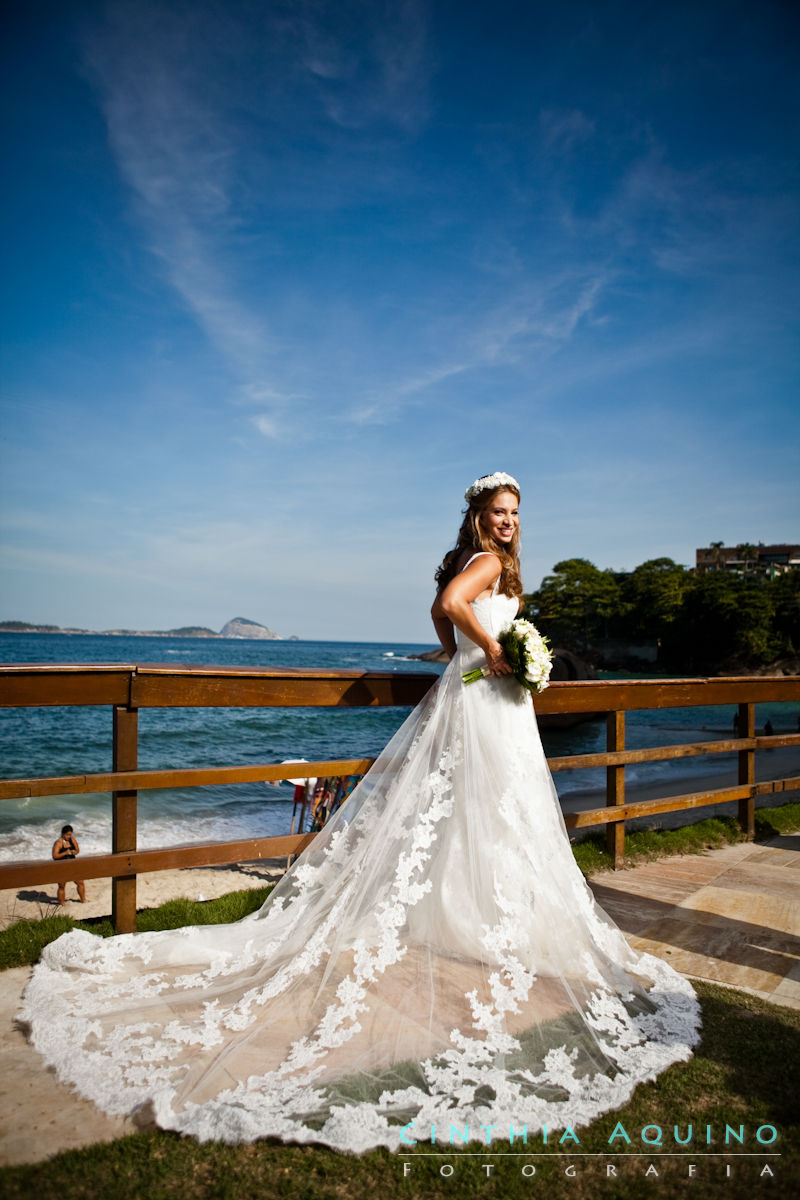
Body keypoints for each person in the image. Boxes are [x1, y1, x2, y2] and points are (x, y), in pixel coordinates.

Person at [20, 473, 701, 1153]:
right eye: (498, 512)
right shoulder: (485, 565)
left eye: (515, 513)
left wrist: (466, 654)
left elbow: (443, 617)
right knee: (495, 811)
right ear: (479, 516)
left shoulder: (478, 561)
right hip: (485, 699)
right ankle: (491, 922)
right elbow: (452, 604)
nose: (508, 522)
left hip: (472, 695)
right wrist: (494, 650)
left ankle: (478, 920)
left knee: (472, 811)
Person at [51, 824, 86, 905]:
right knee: (62, 886)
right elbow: (55, 856)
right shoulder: (58, 843)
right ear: (63, 834)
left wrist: (75, 852)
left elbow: (77, 850)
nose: (69, 836)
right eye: (67, 835)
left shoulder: (72, 840)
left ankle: (83, 900)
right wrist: (65, 853)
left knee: (80, 882)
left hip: (72, 865)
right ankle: (62, 903)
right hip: (61, 867)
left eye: (70, 834)